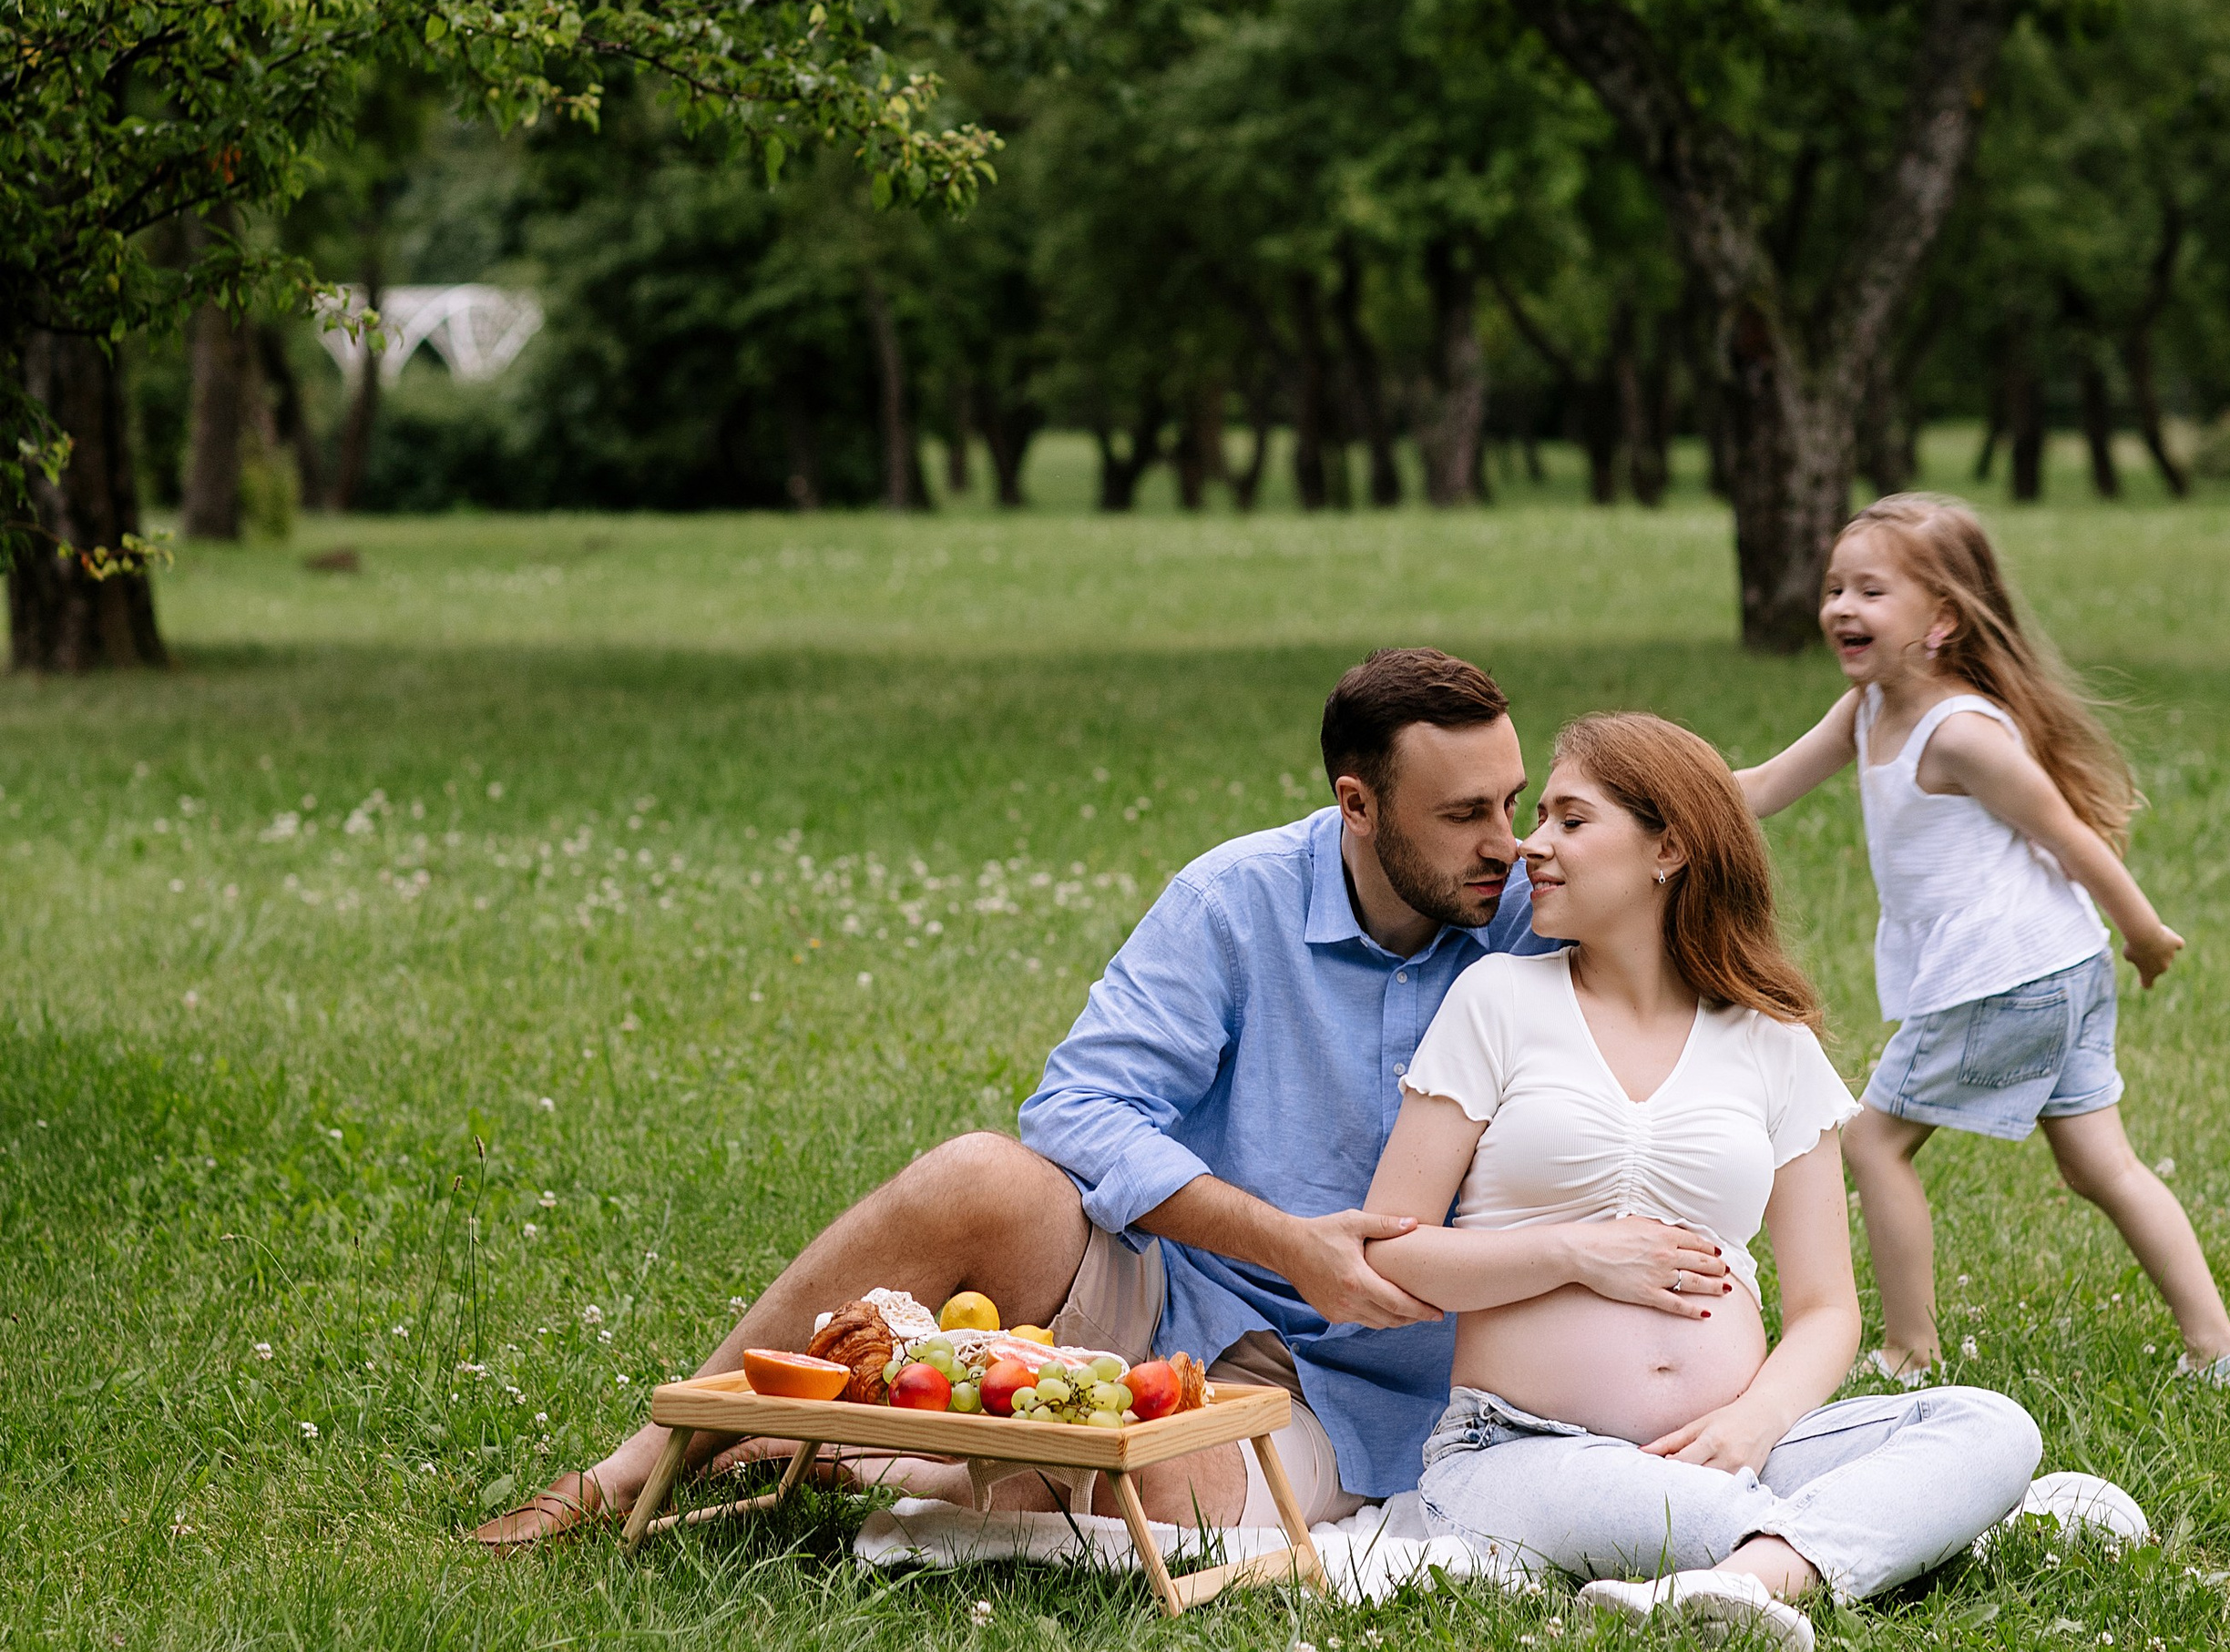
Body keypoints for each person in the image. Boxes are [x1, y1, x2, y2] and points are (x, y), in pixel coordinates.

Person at [478, 648, 1693, 1547]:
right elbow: (1078, 1111)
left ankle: (856, 1466)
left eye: (1517, 803)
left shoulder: (1544, 913)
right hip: (1189, 1296)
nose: (1509, 844)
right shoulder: (1237, 902)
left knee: (1172, 1506)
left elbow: (1681, 845)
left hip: (1376, 1379)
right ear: (1356, 805)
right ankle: (646, 1457)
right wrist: (1282, 1243)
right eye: (1467, 814)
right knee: (984, 1174)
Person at [1365, 713, 2042, 1648]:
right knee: (1684, 1501)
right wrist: (1572, 1253)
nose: (1531, 843)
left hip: (1740, 1448)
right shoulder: (1497, 1003)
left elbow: (1825, 1309)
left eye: (1569, 819)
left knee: (1989, 1424)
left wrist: (1755, 1423)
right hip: (1521, 1448)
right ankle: (1845, 1542)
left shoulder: (1773, 1041)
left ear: (1669, 846)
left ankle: (1745, 1576)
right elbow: (1388, 1255)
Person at [1735, 493, 2230, 1386]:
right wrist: (1654, 790)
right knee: (2099, 1162)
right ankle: (2219, 1348)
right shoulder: (1864, 709)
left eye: (1869, 590)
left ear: (1940, 621)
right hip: (2052, 967)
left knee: (1872, 1143)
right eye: (1833, 588)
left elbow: (2066, 833)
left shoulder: (1960, 731)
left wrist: (2143, 930)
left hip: (2004, 977)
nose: (1841, 608)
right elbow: (1768, 783)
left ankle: (1907, 1349)